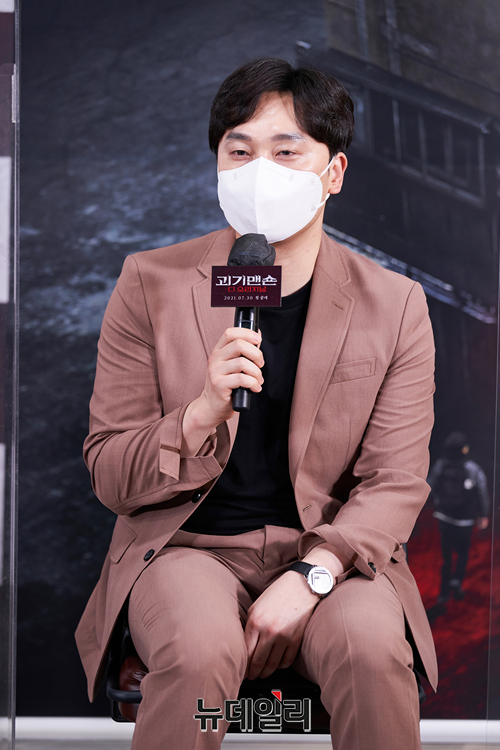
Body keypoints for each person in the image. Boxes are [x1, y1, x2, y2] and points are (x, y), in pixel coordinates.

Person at [75, 58, 437, 750]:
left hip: (335, 556)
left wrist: (312, 575)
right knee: (198, 650)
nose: (258, 171)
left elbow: (394, 483)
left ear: (333, 173)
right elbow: (111, 477)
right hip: (187, 551)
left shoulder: (394, 306)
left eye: (285, 151)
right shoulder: (150, 283)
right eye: (238, 152)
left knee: (369, 649)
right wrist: (200, 414)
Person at [429, 431, 489, 604]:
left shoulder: (440, 465)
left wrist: (438, 503)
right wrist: (483, 514)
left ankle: (443, 593)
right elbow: (482, 491)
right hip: (465, 520)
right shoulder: (472, 468)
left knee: (446, 555)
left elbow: (430, 485)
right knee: (463, 552)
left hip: (444, 517)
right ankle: (457, 582)